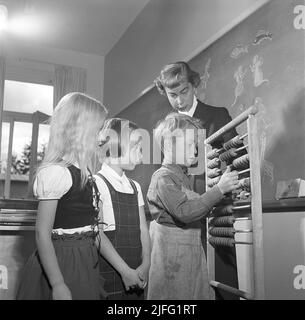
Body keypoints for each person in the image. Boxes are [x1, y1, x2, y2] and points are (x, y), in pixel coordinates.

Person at [16, 92, 142, 300]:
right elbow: (42, 234)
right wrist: (57, 284)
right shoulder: (57, 173)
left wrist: (125, 270)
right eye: (99, 129)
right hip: (63, 264)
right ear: (79, 131)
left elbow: (96, 234)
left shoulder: (87, 175)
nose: (103, 137)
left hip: (85, 264)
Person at [146, 113, 239, 300]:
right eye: (189, 145)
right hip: (172, 258)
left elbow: (196, 206)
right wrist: (218, 190)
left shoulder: (182, 177)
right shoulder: (163, 177)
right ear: (168, 146)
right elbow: (185, 212)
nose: (195, 151)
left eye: (195, 146)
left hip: (190, 253)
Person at [154, 61, 240, 194]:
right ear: (165, 93)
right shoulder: (166, 129)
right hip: (179, 205)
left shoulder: (217, 116)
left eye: (184, 91)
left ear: (194, 86)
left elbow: (238, 158)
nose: (179, 101)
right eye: (173, 95)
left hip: (215, 202)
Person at [95, 118, 151, 300]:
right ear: (114, 146)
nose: (140, 153)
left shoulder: (135, 186)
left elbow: (143, 229)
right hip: (110, 273)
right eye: (135, 145)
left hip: (137, 271)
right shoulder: (97, 183)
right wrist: (125, 271)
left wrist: (146, 264)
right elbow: (98, 234)